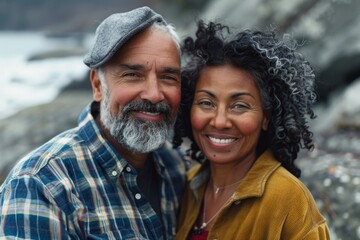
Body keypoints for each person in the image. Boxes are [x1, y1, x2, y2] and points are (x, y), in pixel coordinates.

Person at [0, 6, 185, 239]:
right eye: (132, 75)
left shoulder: (177, 167)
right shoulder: (42, 185)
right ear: (98, 85)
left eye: (168, 77)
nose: (154, 94)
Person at [172, 21, 331, 239]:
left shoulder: (288, 199)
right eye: (206, 103)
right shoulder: (188, 187)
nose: (219, 121)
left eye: (239, 105)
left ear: (266, 117)